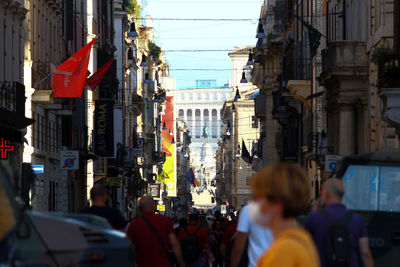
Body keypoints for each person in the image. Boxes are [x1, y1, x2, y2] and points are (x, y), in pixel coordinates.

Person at [250, 163, 320, 267]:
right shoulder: (303, 239)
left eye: (258, 196)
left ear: (277, 202)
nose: (253, 201)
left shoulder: (284, 250)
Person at [305, 178, 374, 267]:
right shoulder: (356, 219)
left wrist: (315, 210)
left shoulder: (314, 218)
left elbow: (304, 246)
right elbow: (365, 253)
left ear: (327, 194)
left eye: (321, 193)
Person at [127, 196, 184, 267]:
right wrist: (181, 264)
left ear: (140, 208)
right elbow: (175, 244)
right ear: (153, 205)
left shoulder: (134, 224)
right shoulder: (164, 220)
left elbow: (128, 247)